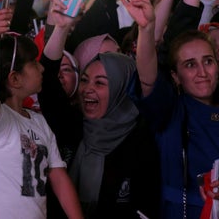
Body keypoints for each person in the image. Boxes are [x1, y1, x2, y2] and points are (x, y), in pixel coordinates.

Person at [120, 0, 219, 218]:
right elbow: (148, 79)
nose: (202, 72)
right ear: (176, 76)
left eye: (208, 61)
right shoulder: (170, 110)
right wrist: (146, 31)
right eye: (190, 65)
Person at [0, 8, 83, 218]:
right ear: (14, 79)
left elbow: (58, 178)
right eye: (33, 63)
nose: (41, 69)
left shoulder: (39, 122)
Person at [69, 52, 161, 218]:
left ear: (122, 88)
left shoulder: (142, 141)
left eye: (99, 83)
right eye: (84, 80)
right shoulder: (71, 129)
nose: (88, 89)